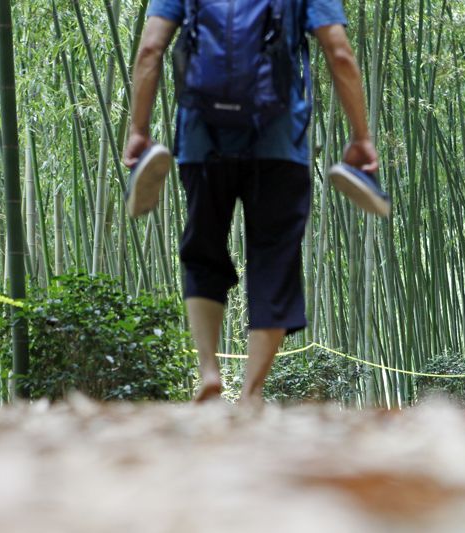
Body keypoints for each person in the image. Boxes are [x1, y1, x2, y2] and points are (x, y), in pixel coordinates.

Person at [123, 0, 381, 405]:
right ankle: (251, 391)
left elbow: (150, 49)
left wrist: (138, 130)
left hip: (200, 139)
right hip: (280, 143)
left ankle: (208, 372)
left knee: (203, 251)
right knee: (274, 260)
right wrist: (361, 137)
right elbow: (340, 51)